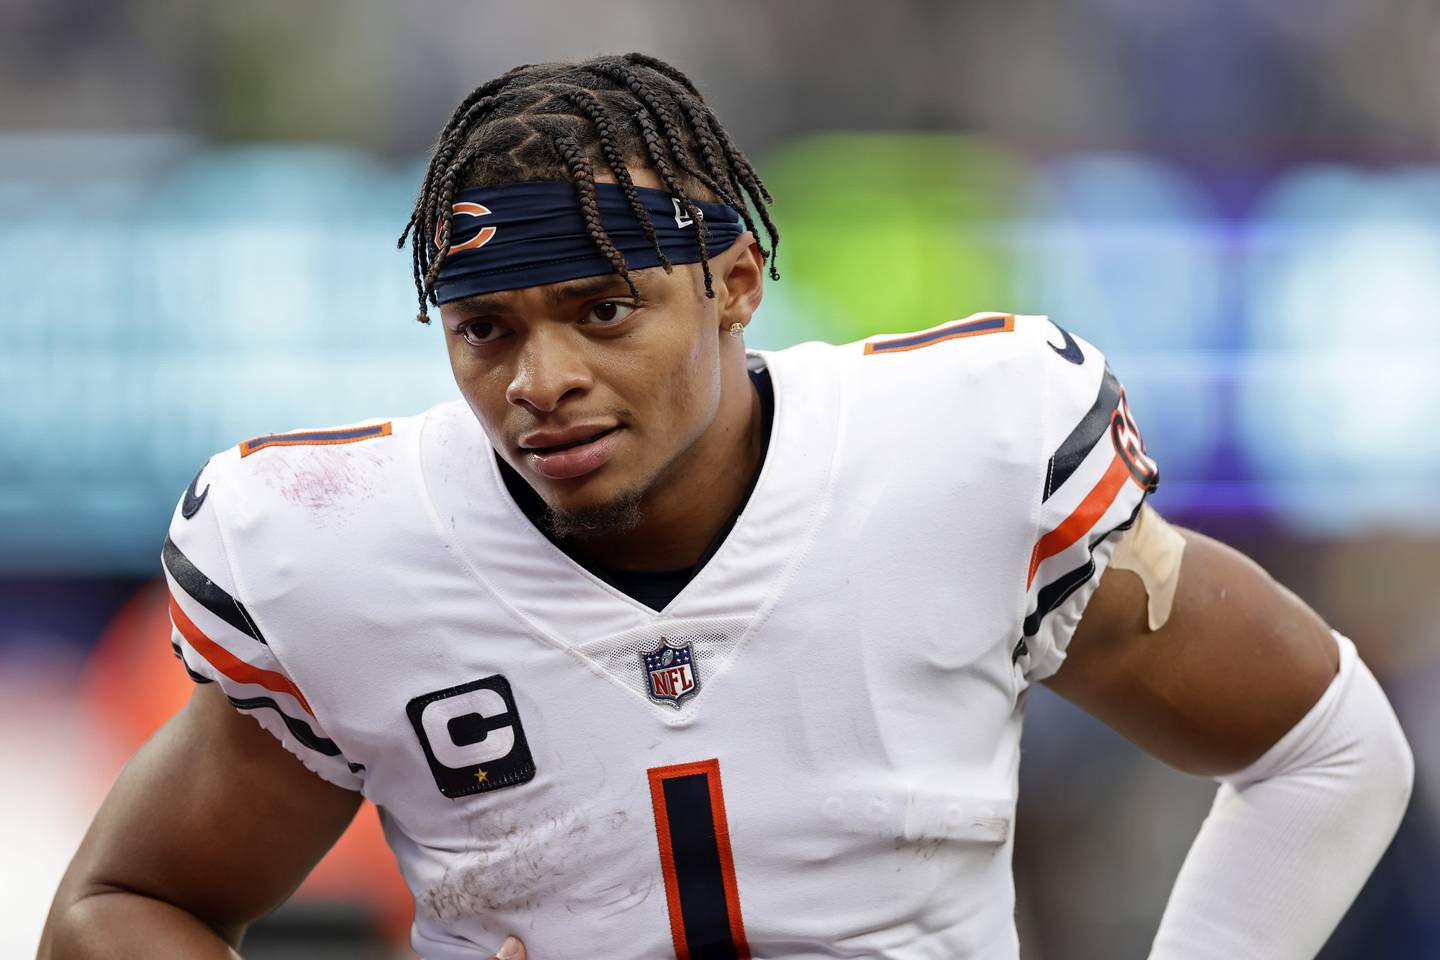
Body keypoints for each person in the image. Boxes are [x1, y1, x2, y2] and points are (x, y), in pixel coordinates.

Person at [40, 53, 1412, 960]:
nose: (544, 381)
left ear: (736, 282)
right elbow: (124, 904)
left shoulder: (957, 451)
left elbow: (1330, 746)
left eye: (602, 309)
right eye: (487, 331)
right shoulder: (341, 546)